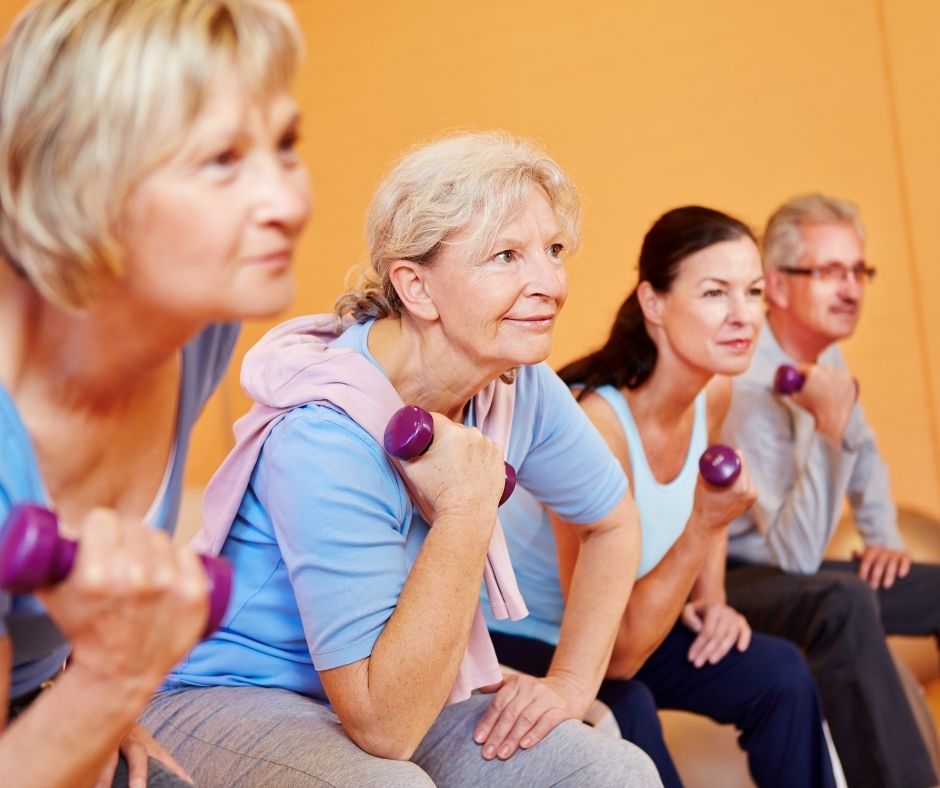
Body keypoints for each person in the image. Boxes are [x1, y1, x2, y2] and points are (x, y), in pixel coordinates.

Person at [141, 131, 661, 786]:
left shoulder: (516, 385)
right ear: (416, 288)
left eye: (553, 251)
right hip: (227, 691)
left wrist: (571, 684)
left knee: (611, 771)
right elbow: (385, 729)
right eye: (506, 255)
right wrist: (468, 503)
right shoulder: (322, 434)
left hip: (397, 687)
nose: (551, 283)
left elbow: (612, 522)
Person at [0, 0, 311, 785]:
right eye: (222, 161)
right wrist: (109, 683)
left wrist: (97, 695)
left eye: (285, 145)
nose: (287, 203)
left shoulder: (196, 322)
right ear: (83, 185)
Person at [489, 206, 835, 787]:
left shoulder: (715, 390)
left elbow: (713, 489)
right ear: (653, 303)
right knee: (627, 708)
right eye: (715, 293)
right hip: (532, 639)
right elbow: (615, 653)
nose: (742, 315)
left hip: (627, 620)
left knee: (780, 673)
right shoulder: (598, 424)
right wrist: (701, 525)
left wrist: (715, 597)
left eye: (752, 292)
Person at [722, 193, 940, 788]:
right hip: (735, 578)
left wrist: (884, 537)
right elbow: (792, 556)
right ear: (778, 285)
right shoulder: (744, 383)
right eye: (829, 272)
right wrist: (827, 425)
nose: (851, 289)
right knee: (844, 601)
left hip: (797, 567)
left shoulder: (826, 355)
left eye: (858, 271)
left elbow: (864, 454)